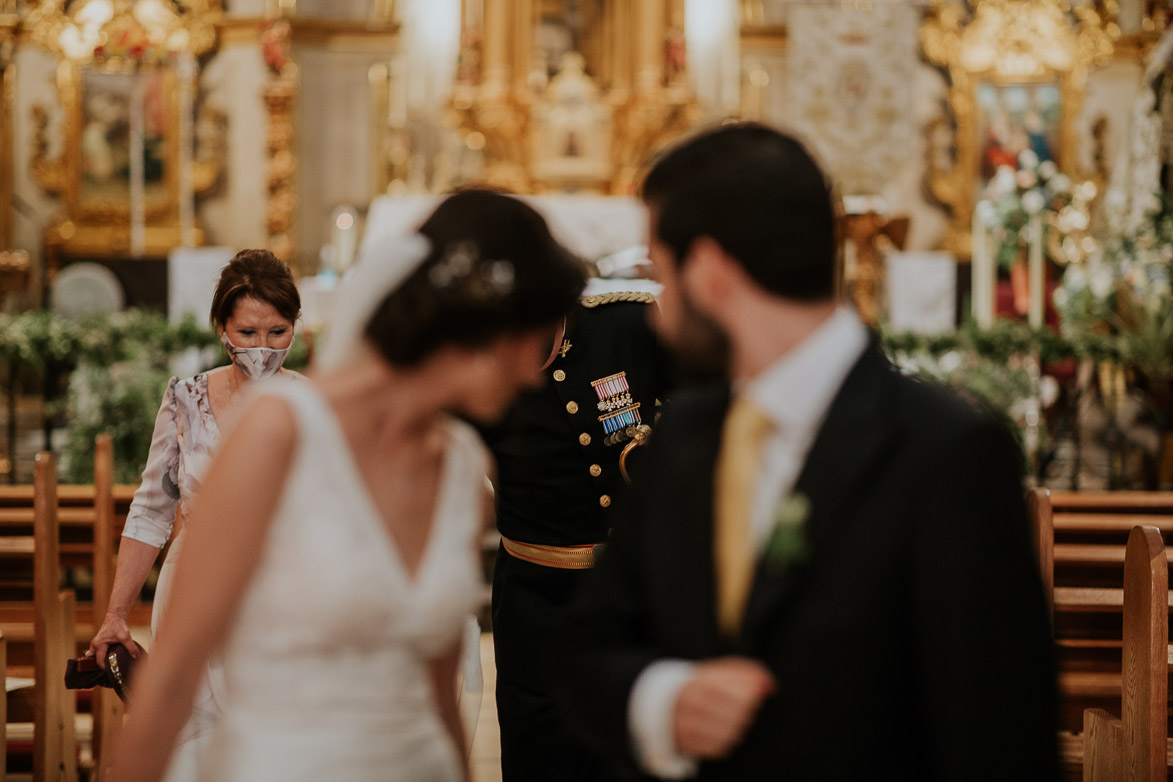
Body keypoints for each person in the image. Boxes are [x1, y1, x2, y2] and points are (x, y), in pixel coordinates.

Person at [552, 124, 1058, 780]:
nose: (656, 311)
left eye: (661, 270)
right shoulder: (684, 437)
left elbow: (1000, 739)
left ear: (709, 274)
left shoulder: (946, 454)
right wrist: (662, 701)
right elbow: (589, 648)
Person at [105, 190, 586, 782]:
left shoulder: (462, 465)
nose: (532, 374)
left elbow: (439, 693)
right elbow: (171, 681)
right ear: (477, 327)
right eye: (533, 342)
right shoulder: (279, 434)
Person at [87, 248, 302, 782]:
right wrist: (116, 613)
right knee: (197, 753)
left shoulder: (310, 404)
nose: (262, 348)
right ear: (222, 328)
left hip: (281, 595)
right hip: (194, 590)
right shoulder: (186, 399)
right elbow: (151, 509)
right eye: (248, 333)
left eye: (278, 332)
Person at [482, 265, 670, 781]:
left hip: (633, 595)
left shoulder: (627, 326)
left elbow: (706, 405)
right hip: (534, 601)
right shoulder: (478, 363)